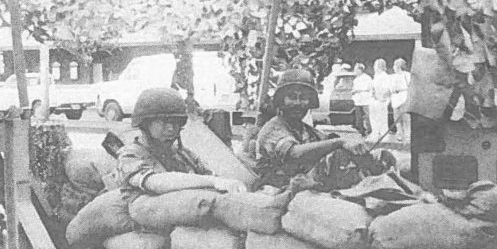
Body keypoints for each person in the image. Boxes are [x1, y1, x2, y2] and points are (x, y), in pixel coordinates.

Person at [255, 69, 370, 191]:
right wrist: (339, 142)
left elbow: (325, 142)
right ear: (281, 100)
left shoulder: (305, 130)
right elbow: (295, 154)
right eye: (292, 97)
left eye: (304, 98)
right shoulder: (273, 128)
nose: (298, 103)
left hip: (304, 188)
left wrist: (359, 150)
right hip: (277, 190)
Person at [117, 87, 246, 196]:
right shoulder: (130, 155)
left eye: (176, 123)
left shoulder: (184, 155)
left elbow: (212, 176)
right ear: (145, 123)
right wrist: (213, 182)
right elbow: (155, 182)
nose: (171, 129)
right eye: (164, 122)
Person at [369, 58, 392, 143]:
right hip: (374, 100)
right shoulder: (376, 76)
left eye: (375, 65)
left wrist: (382, 98)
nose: (374, 67)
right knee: (374, 118)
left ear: (379, 66)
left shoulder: (384, 76)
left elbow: (387, 89)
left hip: (381, 101)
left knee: (382, 119)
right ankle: (375, 134)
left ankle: (384, 137)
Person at [389, 58, 411, 142]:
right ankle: (399, 134)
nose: (393, 67)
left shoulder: (407, 75)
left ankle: (408, 135)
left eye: (395, 65)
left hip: (404, 98)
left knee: (406, 118)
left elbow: (410, 86)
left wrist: (400, 89)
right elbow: (390, 87)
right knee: (397, 118)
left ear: (399, 66)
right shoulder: (392, 77)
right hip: (395, 100)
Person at [351, 63, 373, 137]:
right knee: (358, 116)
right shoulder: (356, 80)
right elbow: (354, 89)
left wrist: (357, 90)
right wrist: (354, 92)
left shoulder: (367, 78)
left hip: (365, 100)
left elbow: (368, 88)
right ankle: (361, 131)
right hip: (358, 101)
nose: (355, 71)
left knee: (367, 116)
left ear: (360, 70)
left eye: (356, 69)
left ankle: (370, 130)